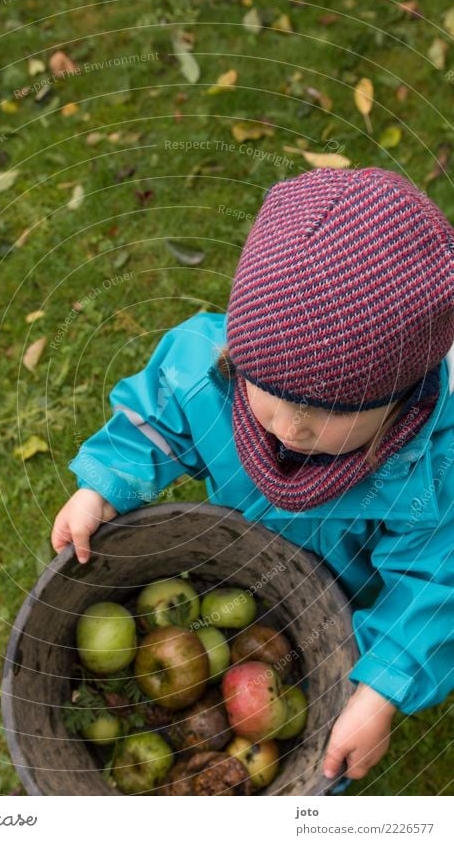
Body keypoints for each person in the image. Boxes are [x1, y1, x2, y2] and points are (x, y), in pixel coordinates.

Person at [51, 166, 454, 784]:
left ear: (399, 400)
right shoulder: (209, 374)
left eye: (324, 413)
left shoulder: (427, 473)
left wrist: (379, 690)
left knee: (324, 735)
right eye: (268, 392)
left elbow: (433, 587)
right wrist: (103, 483)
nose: (288, 428)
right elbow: (160, 414)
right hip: (241, 569)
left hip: (343, 602)